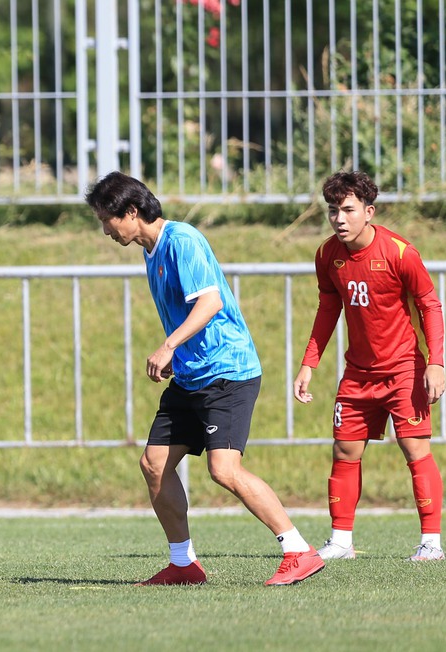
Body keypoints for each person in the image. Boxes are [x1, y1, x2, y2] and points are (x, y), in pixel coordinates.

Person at [84, 170, 324, 586]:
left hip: (227, 372)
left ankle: (298, 550)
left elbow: (210, 303)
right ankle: (183, 564)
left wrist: (169, 346)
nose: (105, 229)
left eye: (107, 219)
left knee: (224, 470)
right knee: (154, 464)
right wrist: (180, 355)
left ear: (132, 211)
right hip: (193, 376)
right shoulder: (151, 250)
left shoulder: (182, 241)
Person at [294, 170, 446, 561]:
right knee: (344, 451)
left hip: (404, 370)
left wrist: (436, 363)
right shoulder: (328, 255)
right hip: (358, 372)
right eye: (332, 210)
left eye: (347, 210)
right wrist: (309, 362)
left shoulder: (399, 252)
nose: (339, 219)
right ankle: (341, 541)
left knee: (415, 451)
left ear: (368, 211)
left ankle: (431, 543)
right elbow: (328, 308)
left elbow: (430, 305)